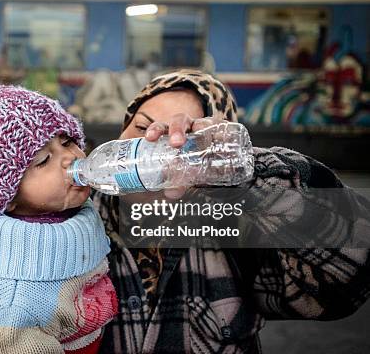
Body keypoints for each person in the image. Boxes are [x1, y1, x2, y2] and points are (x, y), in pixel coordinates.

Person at [93, 69, 370, 353]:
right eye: (142, 128)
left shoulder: (237, 237)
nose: (152, 153)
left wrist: (248, 175)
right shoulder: (74, 223)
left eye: (184, 142)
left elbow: (351, 271)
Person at [0, 85, 118, 354]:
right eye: (44, 160)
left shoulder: (61, 208)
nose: (70, 158)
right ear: (6, 197)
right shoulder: (20, 293)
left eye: (67, 141)